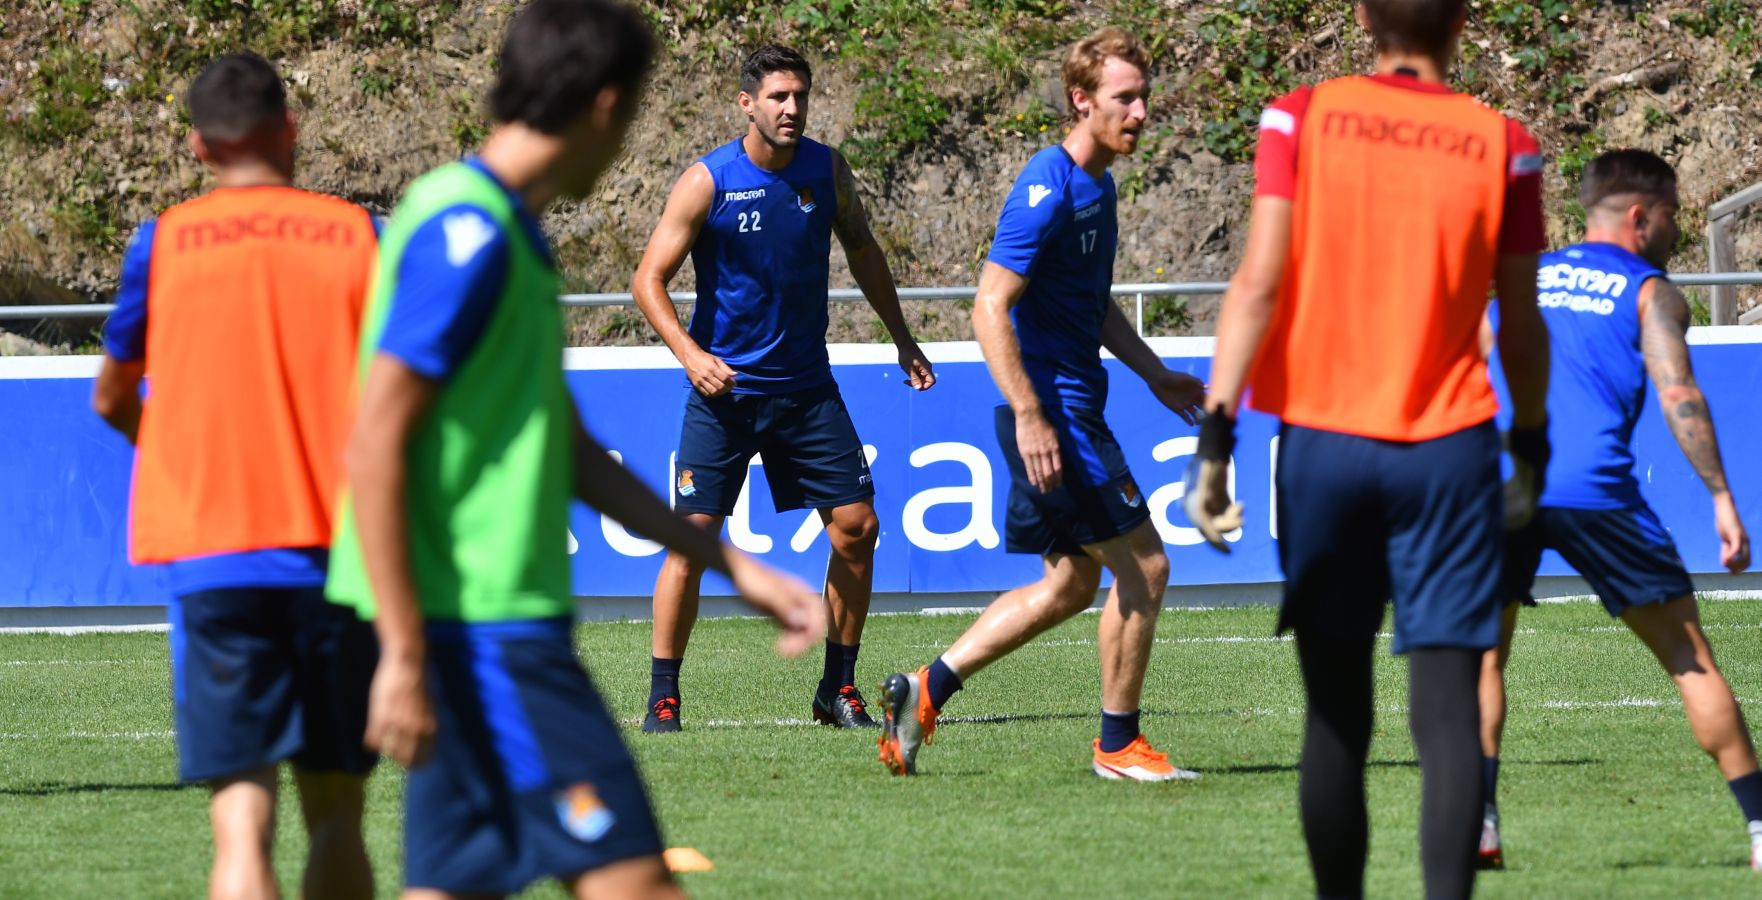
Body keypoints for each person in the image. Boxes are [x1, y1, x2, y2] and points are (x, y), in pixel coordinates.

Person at [322, 3, 826, 898]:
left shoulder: (501, 231)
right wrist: (401, 653)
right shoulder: (463, 233)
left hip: (471, 633)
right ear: (603, 106)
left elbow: (569, 449)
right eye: (629, 118)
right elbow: (373, 445)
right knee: (635, 883)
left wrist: (726, 563)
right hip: (485, 634)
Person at [1184, 1, 1553, 896]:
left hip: (1324, 444)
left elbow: (1259, 283)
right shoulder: (1505, 141)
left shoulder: (1299, 117)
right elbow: (1520, 321)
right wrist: (1531, 445)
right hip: (1449, 449)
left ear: (1360, 15)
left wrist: (1216, 440)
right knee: (1448, 718)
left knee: (1336, 715)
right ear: (1462, 20)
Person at [875, 27, 1206, 782]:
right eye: (1125, 98)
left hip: (1066, 410)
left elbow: (1092, 306)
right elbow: (988, 306)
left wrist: (1154, 373)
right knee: (1146, 568)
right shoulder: (1046, 188)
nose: (1141, 112)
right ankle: (1119, 746)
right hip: (1055, 419)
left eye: (1145, 96)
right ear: (1081, 100)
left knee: (1070, 582)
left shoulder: (1100, 186)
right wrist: (1030, 414)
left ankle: (926, 689)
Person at [91, 53, 380, 900]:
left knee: (241, 827)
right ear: (290, 130)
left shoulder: (164, 242)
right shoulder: (357, 233)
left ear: (198, 146)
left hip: (217, 559)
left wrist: (177, 443)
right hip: (338, 559)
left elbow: (111, 398)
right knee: (335, 817)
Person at [630, 43, 935, 733]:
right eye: (777, 97)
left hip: (805, 389)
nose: (792, 108)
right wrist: (690, 355)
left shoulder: (827, 170)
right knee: (691, 541)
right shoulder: (707, 182)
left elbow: (861, 248)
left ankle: (837, 689)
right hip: (725, 395)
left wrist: (902, 336)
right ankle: (663, 696)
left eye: (800, 96)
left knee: (859, 529)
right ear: (747, 104)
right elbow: (647, 280)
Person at [1476, 149, 1761, 872]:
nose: (1676, 230)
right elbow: (1678, 394)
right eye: (1671, 216)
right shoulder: (1650, 292)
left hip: (1498, 482)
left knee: (1484, 658)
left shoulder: (1520, 278)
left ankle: (1477, 825)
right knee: (1687, 658)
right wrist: (1723, 499)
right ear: (1639, 217)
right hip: (1590, 486)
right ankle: (1761, 830)